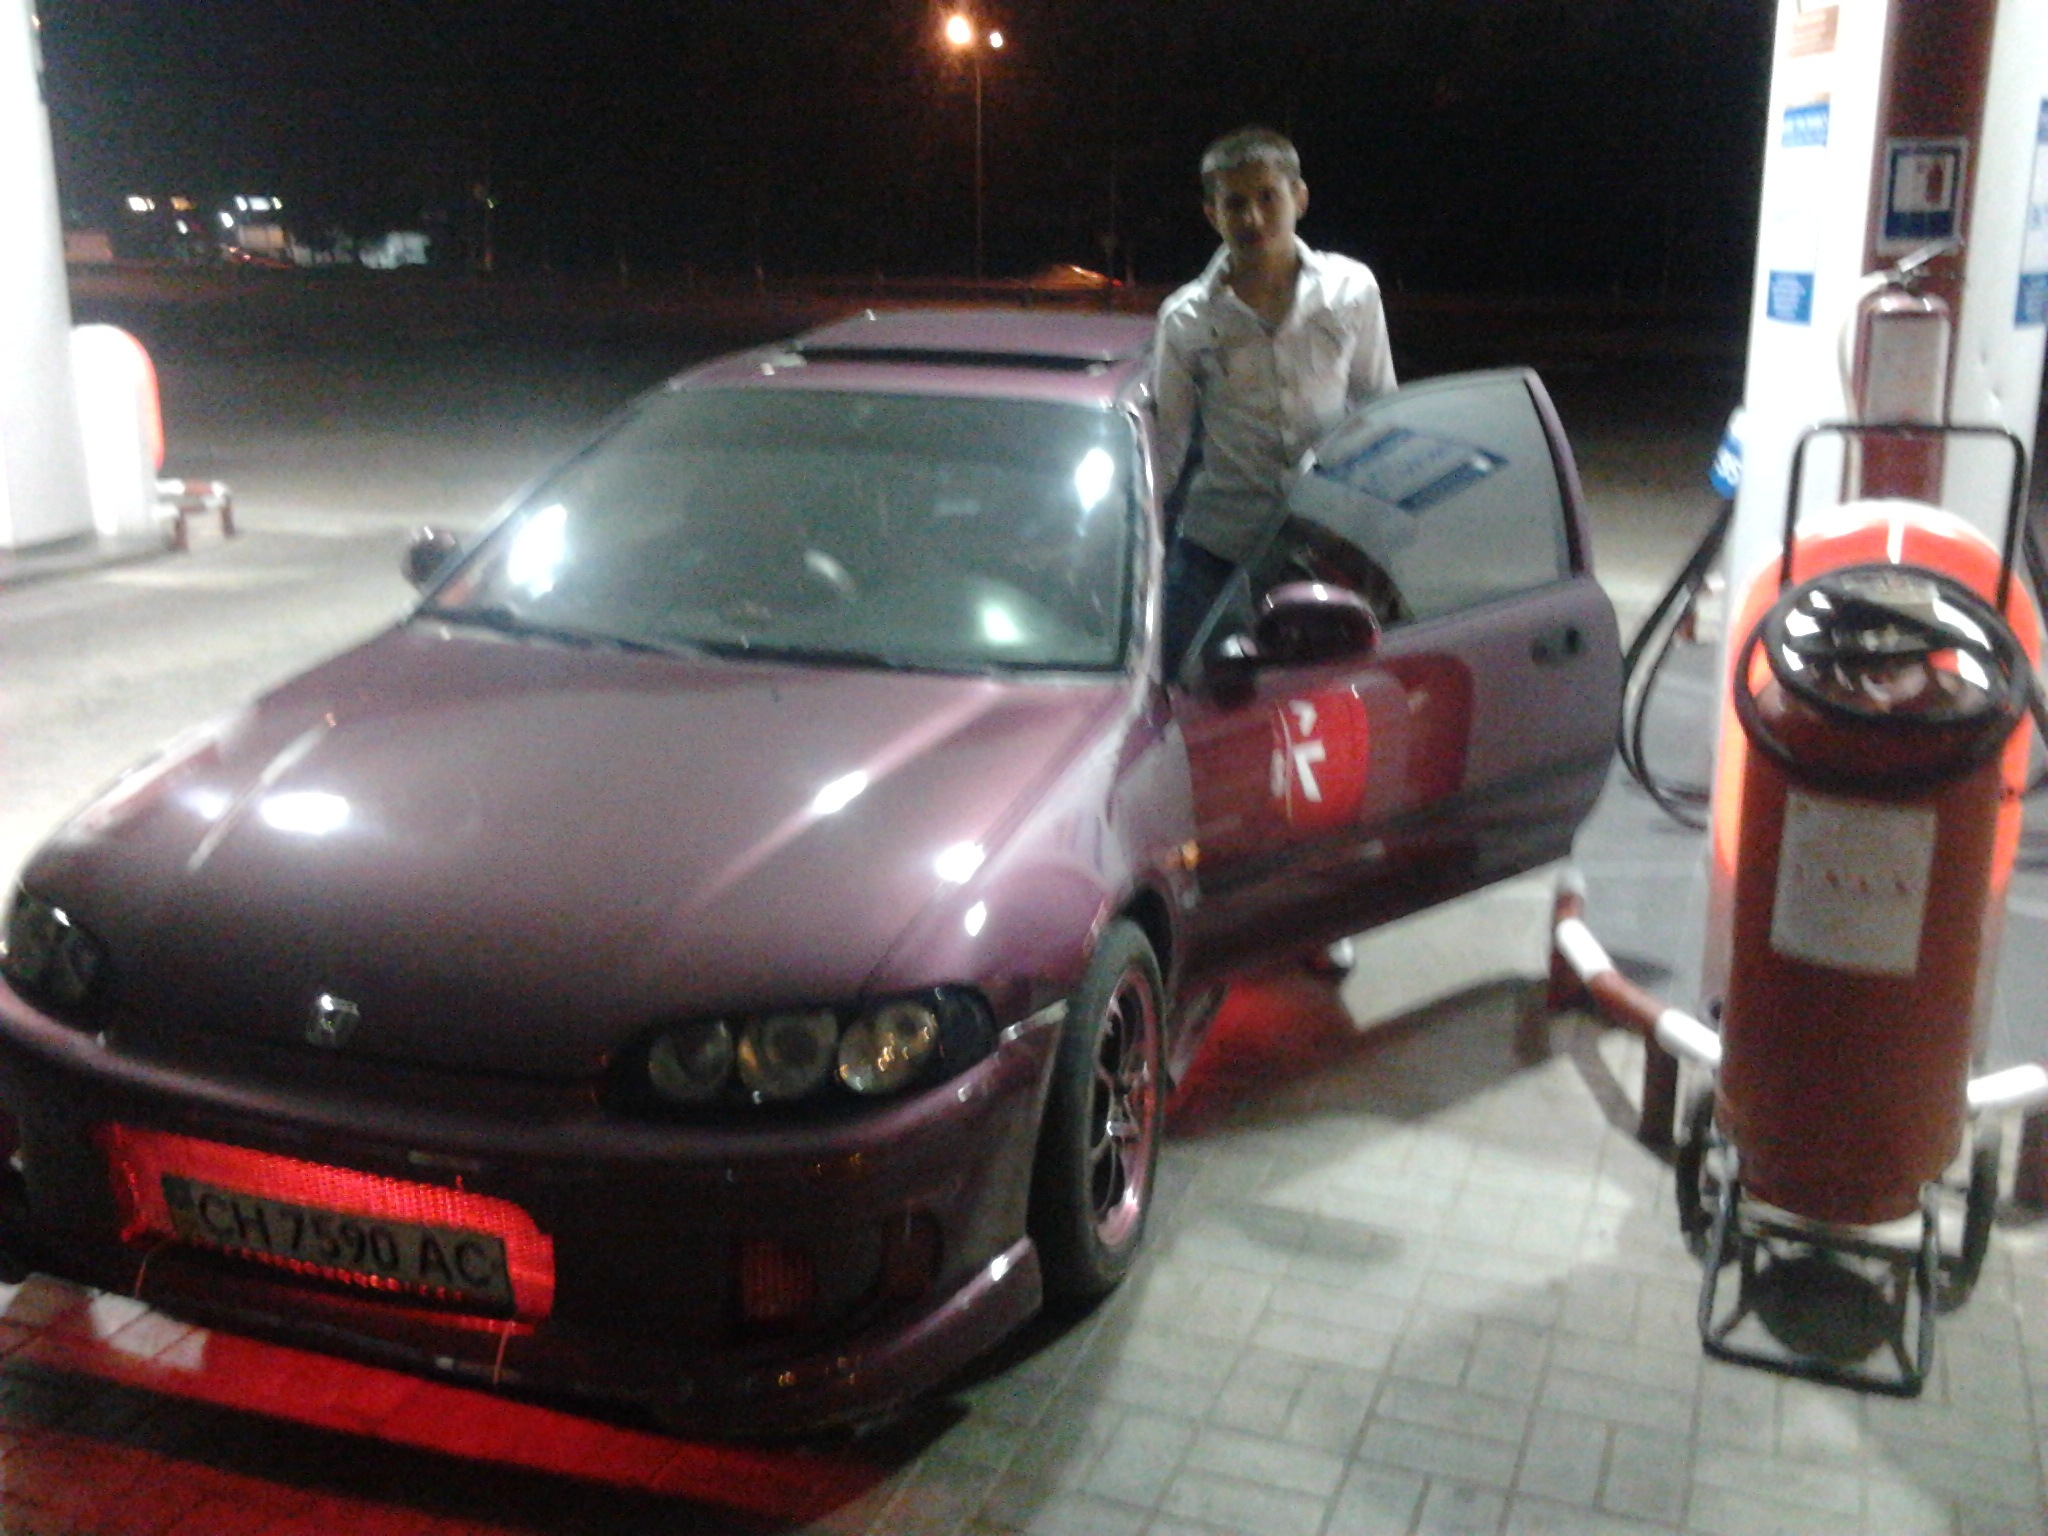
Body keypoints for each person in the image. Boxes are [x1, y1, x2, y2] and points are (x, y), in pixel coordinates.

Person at [1151, 125, 1398, 673]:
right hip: (1219, 548)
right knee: (1185, 685)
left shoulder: (1351, 291)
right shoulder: (1187, 318)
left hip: (1325, 542)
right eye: (1235, 203)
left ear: (1299, 198)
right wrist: (1130, 536)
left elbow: (1379, 411)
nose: (1253, 218)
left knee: (1335, 694)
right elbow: (1165, 449)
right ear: (1212, 214)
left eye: (1269, 197)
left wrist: (1379, 533)